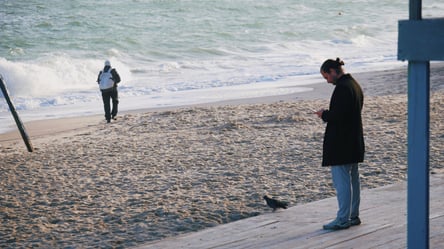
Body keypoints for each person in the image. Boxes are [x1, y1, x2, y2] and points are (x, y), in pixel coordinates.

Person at [315, 58, 365, 230]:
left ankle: (343, 218)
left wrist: (324, 114)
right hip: (353, 139)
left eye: (326, 76)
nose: (327, 81)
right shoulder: (354, 85)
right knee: (353, 179)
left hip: (342, 143)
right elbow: (349, 113)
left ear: (332, 71)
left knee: (342, 181)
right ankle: (352, 215)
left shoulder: (343, 88)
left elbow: (338, 116)